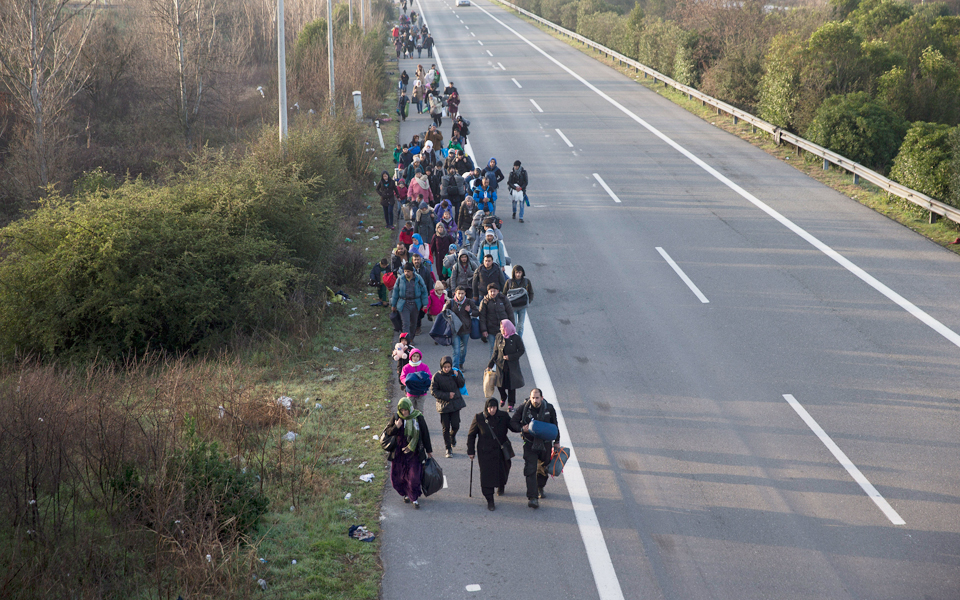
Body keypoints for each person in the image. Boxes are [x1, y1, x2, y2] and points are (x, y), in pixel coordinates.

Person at [508, 388, 559, 509]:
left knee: (544, 468)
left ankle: (540, 487)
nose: (535, 400)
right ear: (530, 398)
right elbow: (512, 423)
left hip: (545, 443)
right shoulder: (524, 408)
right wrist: (522, 428)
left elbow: (555, 425)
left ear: (542, 397)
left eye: (537, 398)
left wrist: (556, 442)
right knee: (530, 469)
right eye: (533, 398)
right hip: (530, 443)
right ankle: (533, 497)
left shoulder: (549, 408)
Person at [385, 397, 433, 509]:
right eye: (401, 410)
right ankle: (406, 493)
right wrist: (396, 426)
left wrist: (429, 451)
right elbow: (388, 432)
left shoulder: (418, 417)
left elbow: (425, 434)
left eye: (405, 410)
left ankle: (414, 498)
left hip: (414, 453)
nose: (404, 413)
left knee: (414, 477)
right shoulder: (396, 417)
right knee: (399, 477)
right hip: (399, 454)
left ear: (409, 408)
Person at [467, 398, 513, 511]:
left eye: (494, 407)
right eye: (490, 407)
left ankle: (501, 485)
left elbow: (513, 426)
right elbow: (471, 435)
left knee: (504, 469)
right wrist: (471, 451)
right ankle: (490, 500)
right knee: (487, 475)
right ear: (486, 407)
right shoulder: (479, 418)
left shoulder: (504, 416)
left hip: (501, 450)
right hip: (485, 452)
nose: (492, 410)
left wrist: (523, 428)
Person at [431, 356, 467, 457]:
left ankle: (452, 436)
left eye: (449, 367)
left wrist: (457, 376)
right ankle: (448, 448)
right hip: (443, 406)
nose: (447, 369)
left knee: (456, 425)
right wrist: (447, 395)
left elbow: (462, 384)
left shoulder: (455, 373)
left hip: (455, 404)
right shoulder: (437, 376)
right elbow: (433, 391)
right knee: (445, 428)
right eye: (445, 367)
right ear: (441, 366)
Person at [487, 319, 525, 411]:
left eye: (502, 328)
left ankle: (511, 404)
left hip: (512, 366)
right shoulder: (499, 337)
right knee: (500, 385)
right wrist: (490, 365)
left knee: (511, 386)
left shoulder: (516, 338)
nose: (501, 329)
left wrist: (511, 357)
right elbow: (495, 352)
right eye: (500, 328)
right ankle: (503, 397)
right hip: (501, 365)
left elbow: (521, 350)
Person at [391, 263, 428, 345]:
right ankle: (406, 341)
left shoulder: (418, 278)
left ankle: (411, 338)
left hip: (415, 303)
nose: (406, 273)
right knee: (406, 323)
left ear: (412, 271)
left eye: (408, 271)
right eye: (405, 271)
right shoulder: (400, 279)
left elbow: (424, 291)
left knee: (413, 323)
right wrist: (393, 305)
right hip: (404, 303)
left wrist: (425, 304)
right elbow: (395, 292)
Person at [478, 283, 514, 358]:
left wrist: (512, 325)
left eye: (494, 291)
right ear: (488, 292)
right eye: (491, 291)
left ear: (498, 291)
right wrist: (484, 330)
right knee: (493, 348)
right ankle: (493, 365)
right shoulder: (484, 302)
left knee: (505, 347)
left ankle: (503, 364)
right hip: (491, 329)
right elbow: (482, 317)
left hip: (504, 329)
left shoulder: (503, 299)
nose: (492, 293)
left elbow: (510, 312)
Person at [445, 285, 476, 370]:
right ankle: (455, 368)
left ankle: (461, 363)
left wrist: (470, 311)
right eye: (459, 293)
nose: (461, 295)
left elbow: (477, 312)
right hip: (454, 331)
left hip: (465, 330)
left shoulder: (469, 302)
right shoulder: (450, 302)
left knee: (463, 350)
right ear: (455, 293)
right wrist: (448, 315)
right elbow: (443, 314)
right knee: (456, 351)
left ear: (465, 293)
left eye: (462, 293)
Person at [503, 264, 533, 335]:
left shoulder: (526, 281)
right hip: (512, 307)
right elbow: (504, 294)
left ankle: (519, 338)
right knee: (514, 324)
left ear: (522, 273)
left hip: (522, 307)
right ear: (514, 273)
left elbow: (531, 292)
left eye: (520, 272)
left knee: (521, 325)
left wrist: (528, 301)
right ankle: (514, 338)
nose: (518, 274)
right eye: (517, 272)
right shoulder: (509, 282)